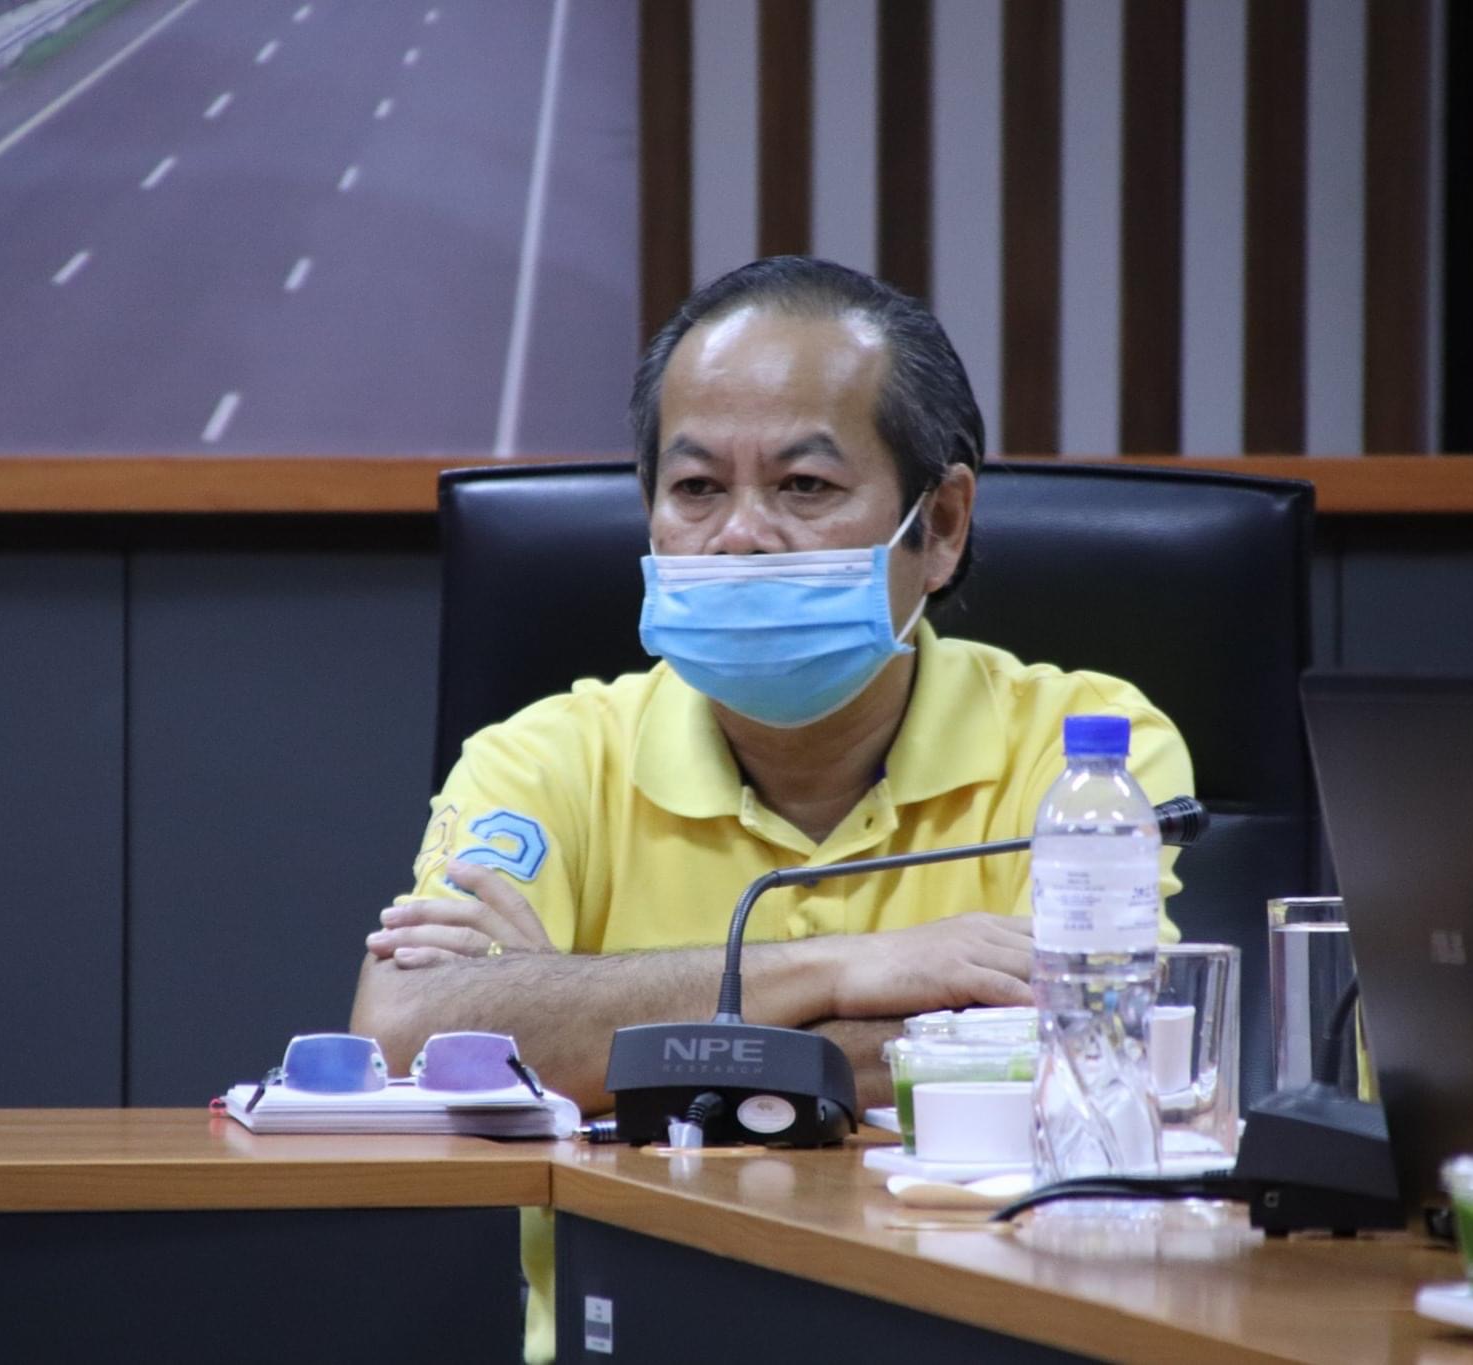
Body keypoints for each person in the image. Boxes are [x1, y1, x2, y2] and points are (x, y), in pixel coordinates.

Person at [350, 255, 1192, 1363]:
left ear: (940, 524)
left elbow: (1095, 1056)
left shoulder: (1086, 750)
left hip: (977, 1333)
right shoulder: (544, 757)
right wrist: (846, 969)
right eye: (697, 489)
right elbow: (407, 1037)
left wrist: (585, 1038)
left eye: (802, 486)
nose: (740, 535)